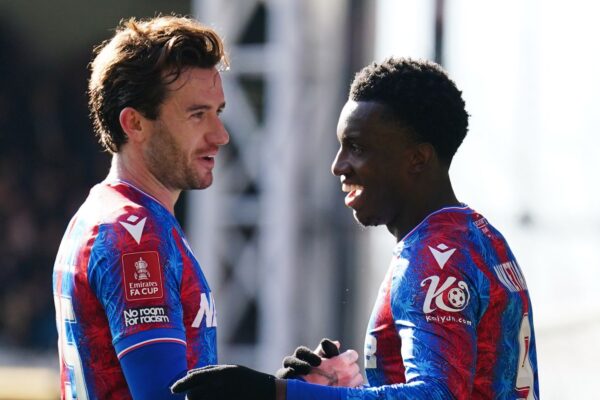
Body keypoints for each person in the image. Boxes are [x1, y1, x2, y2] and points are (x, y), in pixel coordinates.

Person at [171, 58, 540, 399]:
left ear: (417, 159)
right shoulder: (480, 237)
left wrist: (276, 393)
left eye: (357, 147)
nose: (338, 165)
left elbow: (435, 396)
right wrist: (341, 388)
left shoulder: (433, 259)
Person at [52, 15, 360, 399]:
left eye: (219, 112)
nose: (220, 135)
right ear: (134, 123)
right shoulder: (135, 232)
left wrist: (278, 387)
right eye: (197, 115)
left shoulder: (106, 214)